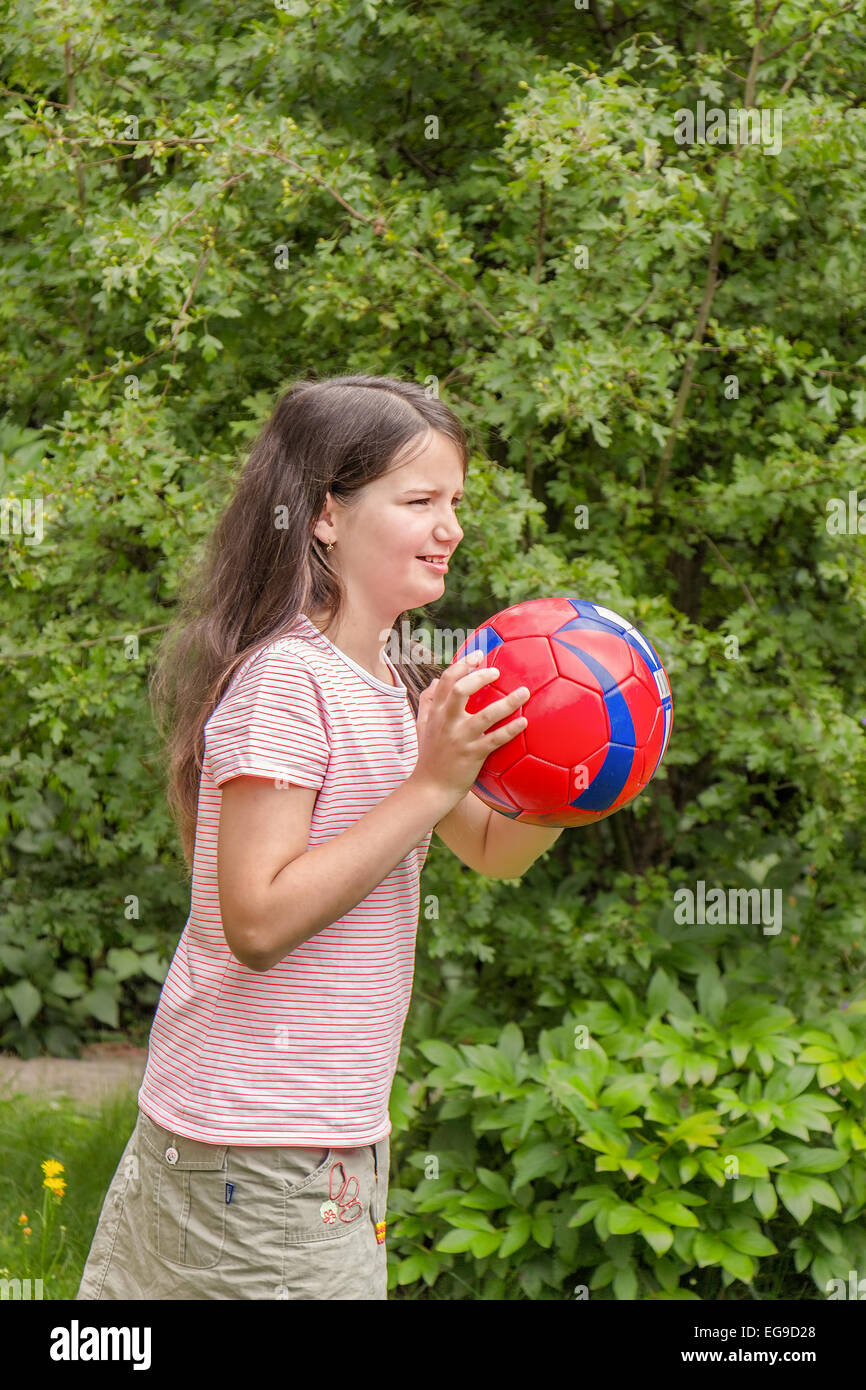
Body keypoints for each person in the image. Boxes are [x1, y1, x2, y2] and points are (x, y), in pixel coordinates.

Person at [75, 373, 530, 1300]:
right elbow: (258, 918)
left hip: (316, 1138)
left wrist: (586, 774)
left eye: (456, 503)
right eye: (420, 501)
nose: (451, 527)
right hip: (256, 1153)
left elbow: (493, 848)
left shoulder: (400, 684)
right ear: (326, 515)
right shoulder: (288, 682)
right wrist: (430, 782)